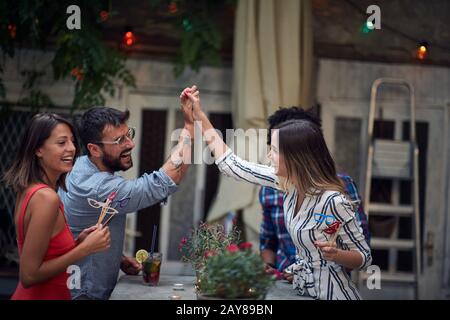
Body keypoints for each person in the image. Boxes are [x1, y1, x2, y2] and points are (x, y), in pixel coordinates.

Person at [182, 87, 372, 300]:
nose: (268, 155)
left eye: (273, 150)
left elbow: (364, 257)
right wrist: (199, 115)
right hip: (302, 292)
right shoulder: (286, 185)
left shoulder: (334, 201)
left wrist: (336, 254)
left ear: (295, 157)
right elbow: (231, 165)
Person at [59, 86, 199, 300]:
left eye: (128, 135)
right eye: (119, 141)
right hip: (85, 294)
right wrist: (189, 125)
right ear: (94, 149)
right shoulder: (95, 186)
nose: (130, 144)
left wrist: (118, 258)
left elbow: (74, 229)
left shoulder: (81, 167)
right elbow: (163, 181)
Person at [3, 113, 111, 300]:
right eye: (61, 143)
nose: (71, 148)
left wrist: (79, 243)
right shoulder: (46, 198)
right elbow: (29, 275)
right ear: (38, 150)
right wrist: (85, 249)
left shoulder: (31, 190)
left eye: (72, 141)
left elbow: (47, 255)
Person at [259, 107, 370, 281]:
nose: (270, 156)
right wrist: (270, 269)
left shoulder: (340, 188)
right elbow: (268, 241)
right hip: (283, 287)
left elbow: (360, 252)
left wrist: (312, 271)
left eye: (277, 148)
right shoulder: (269, 188)